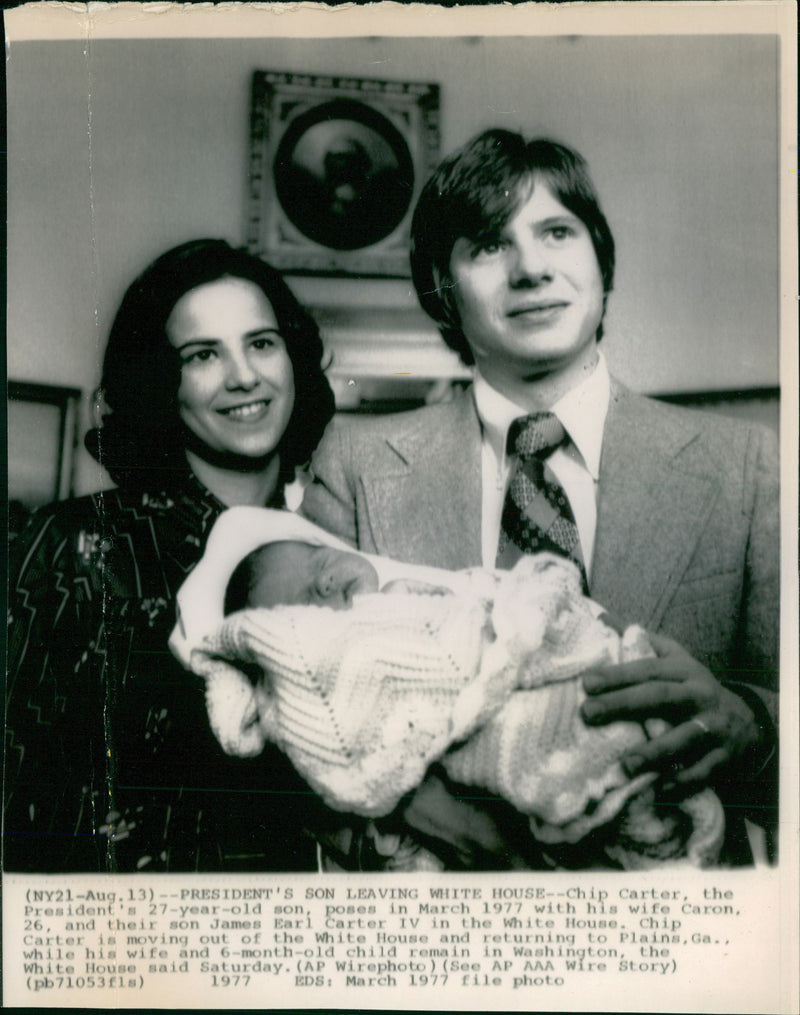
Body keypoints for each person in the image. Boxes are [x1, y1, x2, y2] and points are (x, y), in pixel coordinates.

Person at [301, 130, 780, 868]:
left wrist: (753, 724)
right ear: (441, 285)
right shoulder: (354, 462)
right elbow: (307, 710)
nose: (531, 268)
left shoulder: (747, 464)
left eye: (558, 231)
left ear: (601, 264)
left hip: (685, 924)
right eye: (488, 245)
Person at [4, 239, 335, 872]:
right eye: (203, 354)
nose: (244, 375)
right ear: (159, 381)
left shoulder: (327, 553)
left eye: (262, 343)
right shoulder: (68, 546)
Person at [171, 508, 725, 873]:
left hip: (579, 677)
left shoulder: (418, 591)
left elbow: (480, 607)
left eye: (322, 563)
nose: (324, 582)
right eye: (304, 601)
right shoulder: (342, 641)